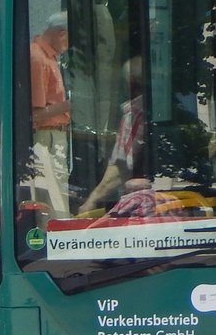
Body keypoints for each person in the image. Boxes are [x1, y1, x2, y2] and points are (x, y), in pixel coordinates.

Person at [79, 57, 145, 216]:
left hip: (142, 204)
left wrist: (92, 199)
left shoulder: (134, 115)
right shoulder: (168, 111)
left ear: (129, 81)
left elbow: (122, 166)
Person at [29, 11, 71, 214]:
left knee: (56, 188)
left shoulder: (47, 57)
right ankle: (57, 233)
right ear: (61, 33)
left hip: (53, 135)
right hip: (47, 136)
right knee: (54, 191)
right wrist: (69, 105)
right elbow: (35, 115)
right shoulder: (38, 58)